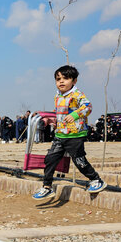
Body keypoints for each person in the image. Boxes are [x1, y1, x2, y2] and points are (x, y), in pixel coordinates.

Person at [33, 65, 106, 200]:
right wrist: (52, 120)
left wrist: (76, 115)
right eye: (58, 79)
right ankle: (47, 187)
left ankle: (96, 179)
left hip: (75, 135)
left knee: (79, 160)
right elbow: (59, 113)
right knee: (50, 159)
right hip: (60, 134)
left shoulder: (77, 95)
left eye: (65, 78)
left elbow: (88, 107)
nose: (61, 81)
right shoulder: (57, 96)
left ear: (74, 81)